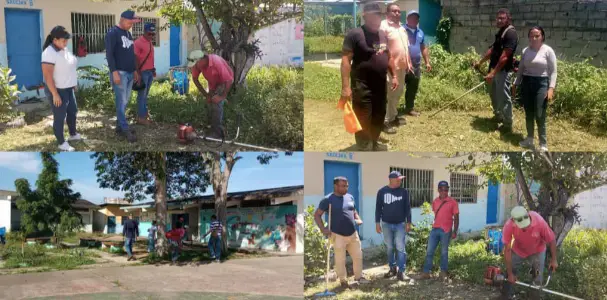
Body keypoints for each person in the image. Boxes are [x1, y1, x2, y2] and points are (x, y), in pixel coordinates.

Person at [340, 2, 398, 151]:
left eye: (378, 14)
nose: (375, 18)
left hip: (380, 85)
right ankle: (364, 145)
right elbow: (346, 61)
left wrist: (395, 76)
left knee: (379, 115)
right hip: (362, 85)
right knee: (363, 117)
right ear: (365, 16)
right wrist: (346, 87)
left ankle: (374, 140)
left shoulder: (382, 35)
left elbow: (389, 57)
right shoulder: (355, 34)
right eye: (372, 15)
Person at [314, 176, 368, 288]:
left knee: (358, 256)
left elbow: (353, 210)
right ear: (336, 186)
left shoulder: (350, 197)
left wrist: (358, 218)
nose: (346, 188)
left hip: (353, 233)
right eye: (343, 186)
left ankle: (359, 277)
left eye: (347, 185)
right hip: (337, 234)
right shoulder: (328, 199)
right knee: (340, 259)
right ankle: (343, 281)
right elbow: (317, 215)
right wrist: (323, 229)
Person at [512, 26, 557, 152]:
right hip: (527, 82)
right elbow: (521, 69)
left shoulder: (548, 51)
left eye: (537, 35)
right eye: (531, 35)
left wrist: (551, 88)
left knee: (540, 114)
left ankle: (543, 144)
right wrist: (516, 84)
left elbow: (553, 72)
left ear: (542, 36)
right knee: (529, 113)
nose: (534, 38)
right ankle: (530, 139)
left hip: (541, 83)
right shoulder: (526, 50)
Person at [473, 8, 518, 133]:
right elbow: (492, 50)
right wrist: (480, 62)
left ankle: (507, 124)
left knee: (504, 97)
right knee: (494, 95)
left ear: (508, 19)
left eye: (502, 18)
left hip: (502, 71)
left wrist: (493, 73)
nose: (499, 20)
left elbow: (505, 57)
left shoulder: (511, 33)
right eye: (498, 18)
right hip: (494, 69)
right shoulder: (501, 32)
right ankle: (498, 116)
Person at [500, 206, 557, 300]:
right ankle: (505, 296)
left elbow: (551, 239)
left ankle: (534, 297)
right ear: (513, 221)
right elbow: (507, 250)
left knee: (537, 276)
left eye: (526, 224)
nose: (525, 227)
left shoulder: (539, 221)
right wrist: (510, 274)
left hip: (537, 251)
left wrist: (554, 259)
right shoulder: (509, 225)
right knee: (509, 273)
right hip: (518, 250)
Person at [41, 26, 82, 152]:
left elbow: (69, 65)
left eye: (66, 40)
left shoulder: (63, 49)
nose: (66, 43)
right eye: (63, 40)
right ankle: (61, 142)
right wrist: (55, 94)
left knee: (72, 111)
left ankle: (73, 134)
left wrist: (73, 83)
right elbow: (48, 77)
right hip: (58, 90)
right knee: (59, 116)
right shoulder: (49, 52)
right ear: (55, 40)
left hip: (68, 88)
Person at [105, 10, 141, 143]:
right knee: (121, 101)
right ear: (122, 19)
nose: (131, 25)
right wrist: (114, 72)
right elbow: (109, 54)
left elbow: (130, 54)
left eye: (133, 23)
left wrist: (135, 70)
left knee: (125, 100)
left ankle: (120, 126)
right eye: (130, 22)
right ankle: (125, 129)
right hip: (119, 72)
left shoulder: (128, 34)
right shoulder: (112, 33)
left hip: (130, 72)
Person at [416, 181, 459, 279]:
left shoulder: (453, 202)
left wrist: (455, 231)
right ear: (438, 190)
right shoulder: (435, 202)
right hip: (435, 230)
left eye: (446, 189)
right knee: (429, 251)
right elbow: (437, 215)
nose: (444, 191)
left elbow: (456, 218)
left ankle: (443, 272)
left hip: (446, 231)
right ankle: (426, 272)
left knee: (444, 252)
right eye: (442, 189)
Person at [380, 3, 412, 134]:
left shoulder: (401, 28)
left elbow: (406, 47)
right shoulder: (383, 26)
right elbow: (382, 49)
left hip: (402, 67)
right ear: (387, 13)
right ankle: (384, 121)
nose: (398, 14)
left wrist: (408, 62)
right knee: (389, 94)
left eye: (399, 11)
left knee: (398, 93)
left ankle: (393, 117)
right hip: (390, 68)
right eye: (394, 11)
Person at [188, 50, 234, 139]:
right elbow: (195, 79)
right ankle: (212, 127)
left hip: (225, 81)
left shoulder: (216, 61)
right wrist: (206, 95)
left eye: (195, 64)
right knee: (209, 102)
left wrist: (222, 96)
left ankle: (217, 133)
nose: (194, 67)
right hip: (213, 83)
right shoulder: (197, 65)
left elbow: (228, 80)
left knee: (216, 102)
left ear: (201, 59)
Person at [375, 171, 412, 281]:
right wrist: (377, 223)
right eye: (398, 179)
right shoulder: (382, 192)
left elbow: (407, 208)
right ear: (391, 179)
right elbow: (378, 208)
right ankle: (392, 268)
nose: (400, 181)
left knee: (400, 247)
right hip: (386, 224)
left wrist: (408, 222)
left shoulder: (403, 191)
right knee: (390, 247)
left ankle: (401, 271)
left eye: (401, 179)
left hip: (400, 224)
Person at [403, 10, 431, 117]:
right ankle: (392, 110)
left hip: (416, 64)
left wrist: (427, 62)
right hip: (402, 63)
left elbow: (423, 47)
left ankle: (409, 108)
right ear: (408, 19)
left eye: (416, 18)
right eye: (412, 17)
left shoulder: (420, 32)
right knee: (398, 87)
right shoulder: (402, 30)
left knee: (412, 87)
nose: (415, 20)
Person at [134, 22, 156, 125]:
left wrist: (153, 69)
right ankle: (141, 118)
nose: (151, 36)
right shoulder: (138, 43)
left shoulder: (150, 42)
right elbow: (136, 59)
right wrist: (137, 74)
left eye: (153, 34)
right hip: (142, 73)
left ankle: (143, 115)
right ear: (144, 32)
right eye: (149, 34)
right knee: (141, 95)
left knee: (145, 95)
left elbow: (150, 58)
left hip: (150, 72)